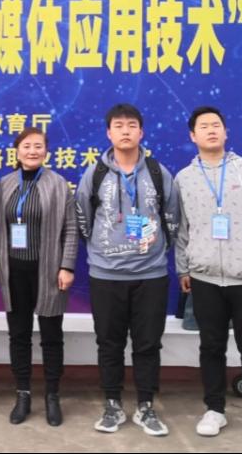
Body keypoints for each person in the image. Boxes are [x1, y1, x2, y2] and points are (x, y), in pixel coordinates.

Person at [174, 106, 242, 444]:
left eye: (216, 125)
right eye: (203, 126)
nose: (211, 130)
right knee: (211, 346)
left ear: (225, 132)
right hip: (205, 278)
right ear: (192, 135)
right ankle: (214, 409)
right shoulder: (184, 178)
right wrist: (183, 267)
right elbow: (181, 229)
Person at [75, 103, 179, 437]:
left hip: (151, 275)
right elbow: (83, 218)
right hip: (106, 275)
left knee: (148, 344)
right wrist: (104, 251)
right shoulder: (95, 174)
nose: (125, 131)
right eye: (118, 126)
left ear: (141, 132)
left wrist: (156, 250)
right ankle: (113, 405)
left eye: (131, 125)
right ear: (108, 133)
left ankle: (146, 406)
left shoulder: (158, 172)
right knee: (109, 343)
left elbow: (173, 217)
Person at [0, 127, 77, 426]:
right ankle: (23, 394)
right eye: (26, 146)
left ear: (46, 151)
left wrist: (67, 266)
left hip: (49, 272)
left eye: (38, 146)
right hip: (14, 272)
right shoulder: (4, 185)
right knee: (19, 335)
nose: (32, 151)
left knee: (51, 337)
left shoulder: (58, 184)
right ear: (16, 151)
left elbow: (71, 228)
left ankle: (52, 395)